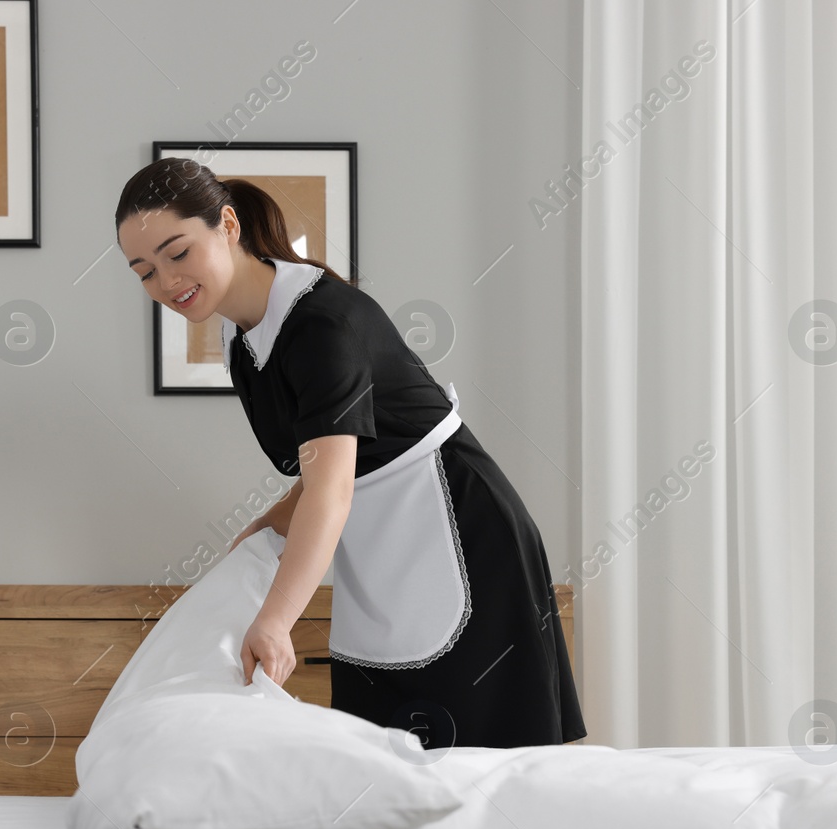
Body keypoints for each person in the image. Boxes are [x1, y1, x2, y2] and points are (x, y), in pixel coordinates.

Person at [115, 157, 585, 749]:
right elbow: (323, 469)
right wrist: (264, 530)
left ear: (228, 225)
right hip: (379, 543)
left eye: (177, 253)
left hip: (461, 533)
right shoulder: (247, 345)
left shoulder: (322, 323)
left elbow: (333, 486)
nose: (165, 281)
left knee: (480, 760)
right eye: (143, 271)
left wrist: (278, 620)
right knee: (383, 761)